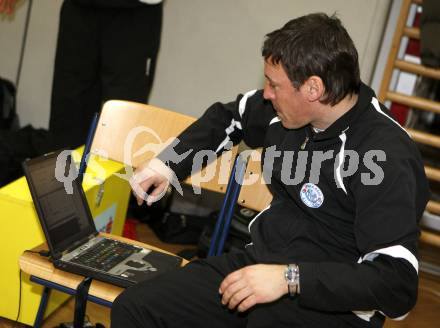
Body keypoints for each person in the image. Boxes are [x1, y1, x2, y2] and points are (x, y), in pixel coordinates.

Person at [111, 13, 430, 328]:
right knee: (136, 309)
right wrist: (165, 165)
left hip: (334, 306)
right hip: (260, 267)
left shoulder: (384, 155)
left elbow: (396, 282)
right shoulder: (284, 113)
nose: (266, 93)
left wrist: (289, 279)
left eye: (274, 85)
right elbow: (229, 117)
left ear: (314, 89)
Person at [49, 0, 163, 149]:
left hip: (135, 12)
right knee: (67, 118)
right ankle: (63, 172)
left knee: (123, 126)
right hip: (79, 9)